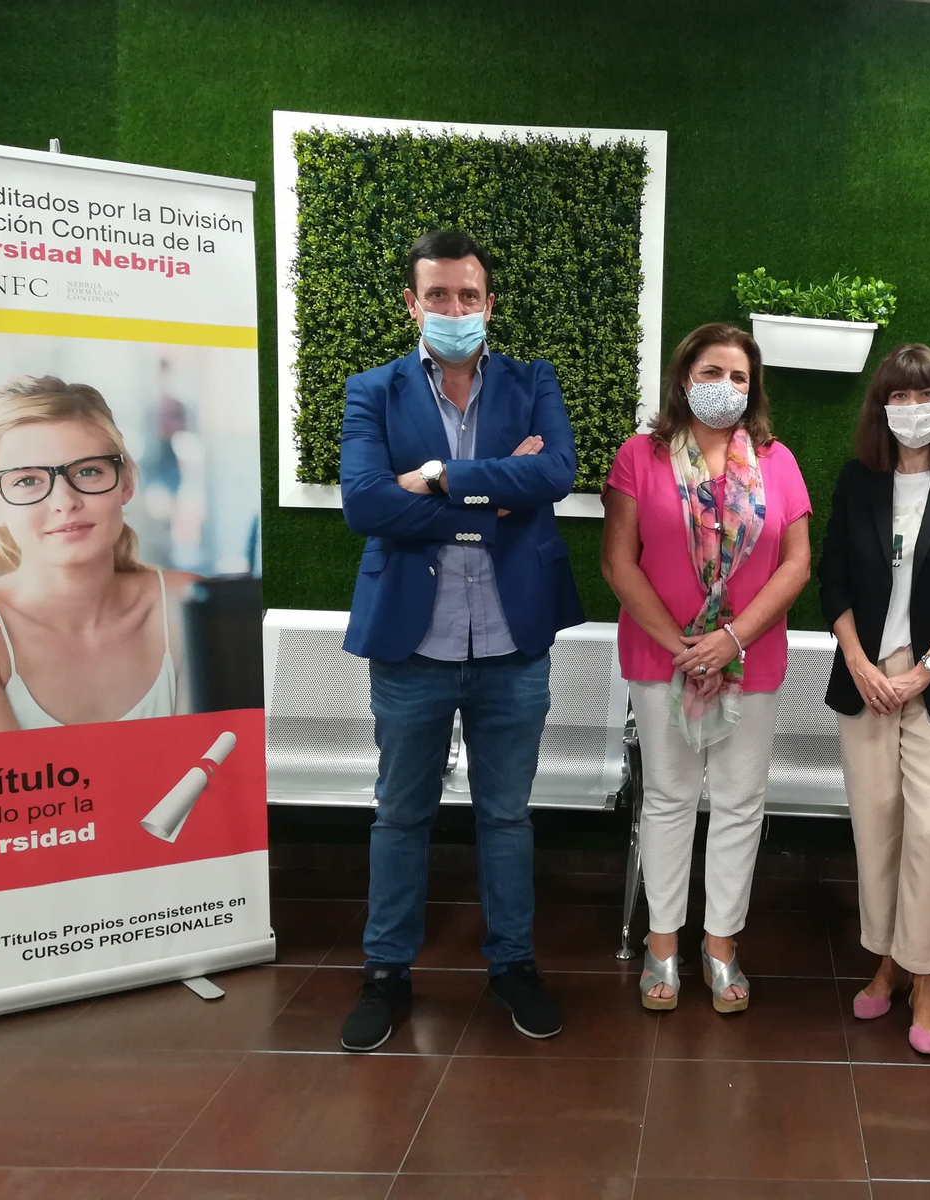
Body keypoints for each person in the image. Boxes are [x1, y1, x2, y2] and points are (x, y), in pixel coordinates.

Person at [337, 229, 583, 1052]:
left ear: (489, 303)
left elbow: (554, 476)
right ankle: (386, 973)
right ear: (412, 303)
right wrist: (492, 491)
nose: (454, 310)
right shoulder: (372, 390)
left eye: (468, 297)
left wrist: (441, 477)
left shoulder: (532, 381)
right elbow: (367, 505)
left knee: (506, 816)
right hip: (412, 644)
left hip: (514, 638)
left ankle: (512, 963)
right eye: (437, 296)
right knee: (400, 815)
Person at [601, 322, 811, 1014]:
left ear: (754, 391)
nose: (726, 387)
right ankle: (663, 943)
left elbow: (797, 563)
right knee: (666, 796)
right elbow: (618, 561)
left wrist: (733, 640)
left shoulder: (777, 461)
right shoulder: (641, 456)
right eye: (712, 372)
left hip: (751, 659)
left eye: (740, 377)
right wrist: (683, 644)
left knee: (741, 801)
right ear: (684, 377)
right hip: (661, 657)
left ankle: (720, 943)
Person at [818, 344, 930, 1055]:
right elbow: (832, 577)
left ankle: (924, 977)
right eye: (898, 396)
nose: (912, 408)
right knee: (877, 826)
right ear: (880, 407)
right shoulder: (858, 481)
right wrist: (861, 662)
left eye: (925, 395)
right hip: (865, 678)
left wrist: (923, 669)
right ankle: (886, 961)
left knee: (928, 833)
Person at [0, 375, 196, 731]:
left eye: (87, 471)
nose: (65, 503)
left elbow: (216, 772)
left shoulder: (190, 607)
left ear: (127, 481)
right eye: (27, 480)